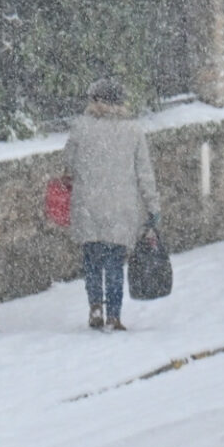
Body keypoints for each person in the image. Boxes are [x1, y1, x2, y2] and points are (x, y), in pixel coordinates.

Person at [64, 77, 161, 332]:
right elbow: (144, 173)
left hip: (88, 204)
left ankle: (95, 306)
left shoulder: (80, 128)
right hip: (121, 206)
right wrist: (153, 207)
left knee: (92, 259)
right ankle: (114, 316)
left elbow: (68, 165)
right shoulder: (133, 131)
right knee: (115, 262)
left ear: (95, 100)